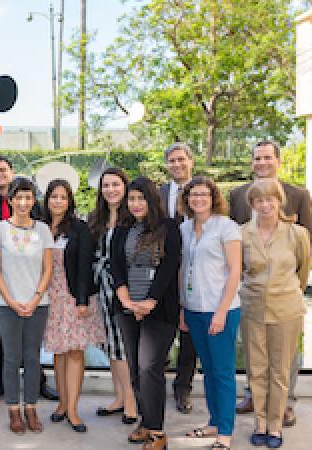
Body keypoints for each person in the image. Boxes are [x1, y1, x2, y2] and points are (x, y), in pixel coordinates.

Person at [229, 140, 312, 426]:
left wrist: (292, 284)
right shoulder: (238, 195)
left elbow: (309, 243)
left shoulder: (298, 195)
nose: (262, 162)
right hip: (252, 292)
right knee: (254, 354)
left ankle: (286, 403)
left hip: (285, 290)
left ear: (278, 161)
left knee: (286, 356)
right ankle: (253, 396)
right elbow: (233, 246)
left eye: (268, 157)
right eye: (257, 158)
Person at [0, 155, 57, 403]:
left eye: (3, 170)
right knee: (0, 344)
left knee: (31, 350)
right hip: (0, 285)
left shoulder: (37, 215)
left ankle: (37, 388)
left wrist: (35, 297)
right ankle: (0, 385)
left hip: (32, 288)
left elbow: (46, 261)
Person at [240, 179, 311, 449]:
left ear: (279, 201)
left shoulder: (297, 234)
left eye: (270, 199)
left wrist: (289, 292)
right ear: (253, 204)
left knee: (280, 371)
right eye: (259, 200)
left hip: (287, 310)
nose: (265, 205)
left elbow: (303, 273)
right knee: (256, 369)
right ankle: (259, 423)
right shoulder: (242, 233)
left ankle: (275, 425)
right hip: (252, 309)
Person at [112, 177, 181, 450]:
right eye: (131, 199)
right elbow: (116, 268)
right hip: (127, 308)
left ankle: (157, 432)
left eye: (141, 198)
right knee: (134, 370)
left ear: (152, 200)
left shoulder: (169, 228)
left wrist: (150, 301)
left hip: (159, 309)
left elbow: (168, 268)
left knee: (149, 367)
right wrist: (126, 299)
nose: (136, 204)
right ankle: (146, 420)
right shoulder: (122, 229)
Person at [178, 177, 242, 450]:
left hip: (221, 310)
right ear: (187, 199)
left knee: (223, 372)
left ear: (213, 197)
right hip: (193, 309)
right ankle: (214, 422)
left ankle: (225, 433)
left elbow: (235, 271)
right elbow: (182, 270)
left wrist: (221, 311)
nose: (198, 199)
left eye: (204, 194)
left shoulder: (226, 227)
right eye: (193, 195)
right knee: (208, 371)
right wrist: (183, 307)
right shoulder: (184, 229)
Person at [41, 179, 105, 433]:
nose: (58, 201)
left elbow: (84, 267)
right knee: (58, 351)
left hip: (73, 296)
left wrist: (81, 301)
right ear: (47, 200)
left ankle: (74, 410)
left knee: (75, 352)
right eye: (54, 196)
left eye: (63, 197)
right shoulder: (40, 227)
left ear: (70, 202)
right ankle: (62, 404)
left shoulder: (79, 229)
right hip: (49, 297)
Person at [87, 168, 138, 424]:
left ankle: (130, 400)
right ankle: (118, 396)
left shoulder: (132, 218)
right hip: (101, 289)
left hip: (123, 289)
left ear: (125, 186)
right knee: (110, 345)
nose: (110, 190)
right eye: (105, 186)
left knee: (122, 346)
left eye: (115, 184)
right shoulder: (96, 218)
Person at [157, 142, 198, 414]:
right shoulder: (158, 192)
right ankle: (155, 383)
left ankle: (183, 387)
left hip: (194, 269)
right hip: (163, 271)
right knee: (161, 329)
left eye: (181, 160)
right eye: (172, 160)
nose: (177, 164)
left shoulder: (203, 190)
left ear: (190, 161)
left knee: (190, 334)